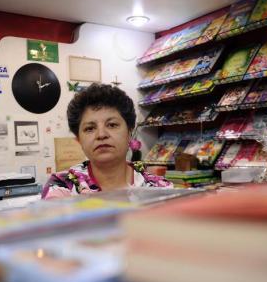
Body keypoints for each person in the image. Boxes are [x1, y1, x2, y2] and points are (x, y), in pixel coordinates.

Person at [42, 84, 172, 199]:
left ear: (129, 133)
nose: (101, 134)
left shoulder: (158, 188)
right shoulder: (62, 186)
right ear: (79, 140)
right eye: (90, 128)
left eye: (112, 125)